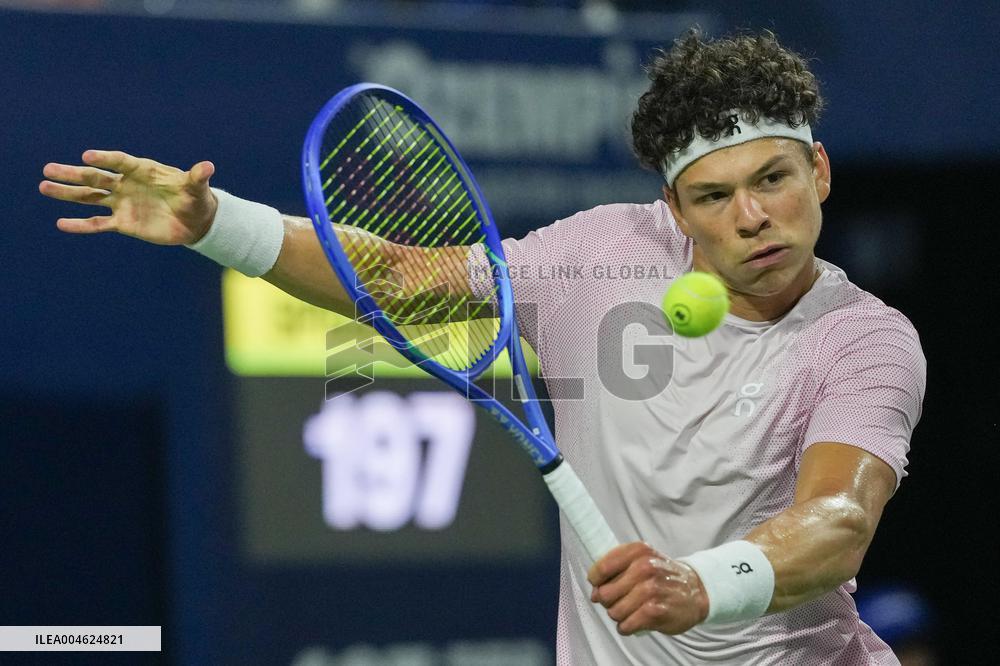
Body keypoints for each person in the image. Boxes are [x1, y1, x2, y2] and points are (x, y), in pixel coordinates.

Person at [39, 29, 926, 665]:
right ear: (672, 209)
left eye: (773, 179)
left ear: (818, 171)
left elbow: (838, 524)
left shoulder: (866, 341)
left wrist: (700, 584)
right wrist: (213, 223)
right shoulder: (601, 255)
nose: (752, 217)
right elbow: (397, 277)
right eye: (713, 195)